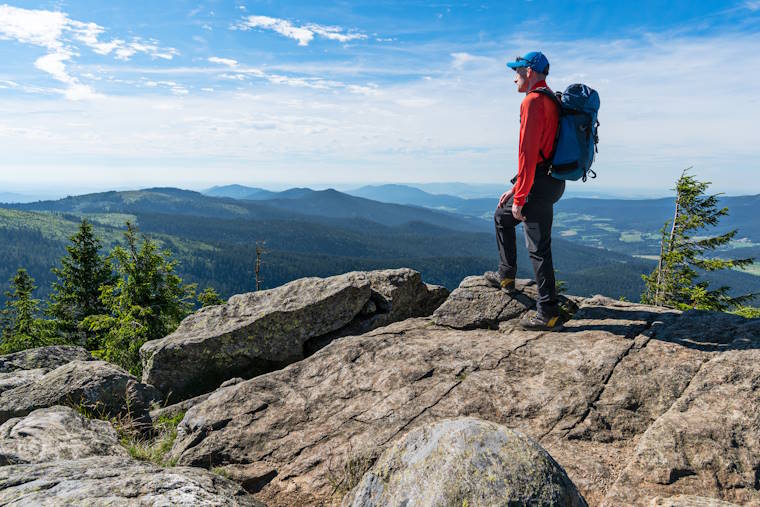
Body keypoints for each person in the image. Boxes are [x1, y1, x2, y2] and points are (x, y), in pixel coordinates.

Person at [484, 51, 565, 330]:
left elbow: (527, 152)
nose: (514, 77)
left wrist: (520, 195)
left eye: (516, 71)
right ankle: (506, 277)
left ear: (529, 71)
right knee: (501, 216)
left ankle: (548, 312)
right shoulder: (551, 99)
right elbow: (541, 151)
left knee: (539, 248)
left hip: (538, 184)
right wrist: (516, 186)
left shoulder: (531, 101)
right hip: (551, 180)